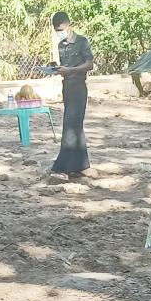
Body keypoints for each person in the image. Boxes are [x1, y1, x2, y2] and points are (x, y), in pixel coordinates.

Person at [48, 12, 97, 181]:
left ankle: (63, 166)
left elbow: (89, 64)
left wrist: (70, 71)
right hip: (67, 87)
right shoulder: (61, 45)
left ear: (68, 25)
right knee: (75, 126)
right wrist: (57, 68)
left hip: (78, 86)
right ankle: (81, 165)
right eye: (56, 31)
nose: (59, 33)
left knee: (70, 125)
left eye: (61, 29)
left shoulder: (81, 41)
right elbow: (66, 66)